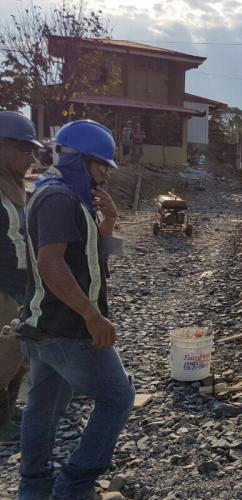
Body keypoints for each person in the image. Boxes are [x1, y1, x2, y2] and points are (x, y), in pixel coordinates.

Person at [16, 119, 134, 500]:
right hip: (68, 327)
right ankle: (75, 485)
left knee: (44, 406)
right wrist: (91, 315)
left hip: (45, 325)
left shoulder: (63, 195)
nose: (104, 177)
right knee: (118, 397)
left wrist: (110, 222)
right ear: (79, 160)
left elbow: (90, 259)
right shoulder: (59, 199)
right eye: (101, 167)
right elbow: (52, 264)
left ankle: (34, 488)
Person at [0, 112, 41, 442]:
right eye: (23, 151)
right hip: (2, 287)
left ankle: (9, 412)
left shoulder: (17, 188)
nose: (31, 158)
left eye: (32, 151)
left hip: (22, 285)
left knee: (21, 354)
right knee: (5, 354)